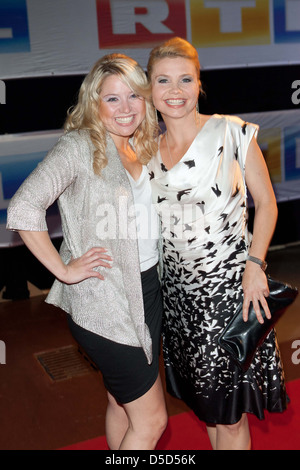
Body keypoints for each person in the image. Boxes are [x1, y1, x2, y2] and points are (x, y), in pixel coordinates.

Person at [6, 53, 168, 450]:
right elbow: (23, 208)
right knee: (152, 422)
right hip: (105, 303)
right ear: (94, 102)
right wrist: (63, 269)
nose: (126, 108)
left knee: (120, 402)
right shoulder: (79, 145)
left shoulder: (143, 144)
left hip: (148, 293)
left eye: (133, 95)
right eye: (112, 99)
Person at [147, 37, 287, 450]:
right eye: (163, 80)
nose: (175, 91)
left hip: (231, 293)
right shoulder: (145, 153)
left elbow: (267, 204)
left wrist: (255, 264)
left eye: (185, 79)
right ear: (149, 89)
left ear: (199, 84)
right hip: (176, 299)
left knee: (228, 416)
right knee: (206, 407)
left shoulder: (232, 132)